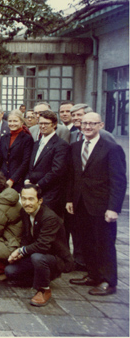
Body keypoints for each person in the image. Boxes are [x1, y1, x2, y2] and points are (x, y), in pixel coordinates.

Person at [67, 113, 127, 296]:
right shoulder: (75, 147)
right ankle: (92, 275)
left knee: (105, 244)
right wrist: (70, 199)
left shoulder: (111, 149)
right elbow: (72, 176)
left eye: (92, 124)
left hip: (102, 207)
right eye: (85, 123)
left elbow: (118, 181)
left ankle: (108, 282)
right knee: (86, 242)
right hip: (81, 204)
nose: (87, 127)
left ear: (100, 125)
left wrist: (113, 208)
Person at [5, 184, 74, 307]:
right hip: (38, 254)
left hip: (56, 258)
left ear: (40, 200)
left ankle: (44, 289)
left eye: (31, 199)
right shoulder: (25, 212)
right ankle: (41, 277)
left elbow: (42, 245)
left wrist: (21, 251)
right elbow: (26, 237)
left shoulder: (49, 217)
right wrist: (19, 255)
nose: (27, 203)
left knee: (37, 257)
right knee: (10, 271)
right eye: (24, 199)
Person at [25, 110, 70, 217]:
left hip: (50, 194)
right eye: (40, 123)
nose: (43, 126)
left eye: (46, 124)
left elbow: (57, 171)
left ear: (54, 125)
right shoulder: (36, 144)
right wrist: (27, 179)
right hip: (33, 191)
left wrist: (38, 185)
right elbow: (31, 166)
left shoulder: (61, 145)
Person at [0, 109, 33, 192]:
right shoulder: (4, 137)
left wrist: (12, 180)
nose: (12, 123)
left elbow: (25, 162)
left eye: (15, 121)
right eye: (10, 121)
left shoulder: (27, 139)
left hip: (17, 180)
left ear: (21, 122)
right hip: (2, 178)